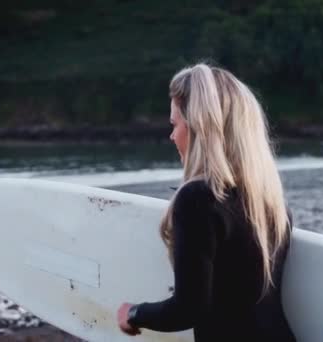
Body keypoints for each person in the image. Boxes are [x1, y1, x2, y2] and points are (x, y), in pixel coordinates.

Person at [116, 63, 296, 341]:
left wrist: (134, 313)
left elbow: (188, 309)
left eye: (175, 125)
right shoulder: (273, 206)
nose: (172, 136)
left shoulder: (197, 200)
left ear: (199, 128)